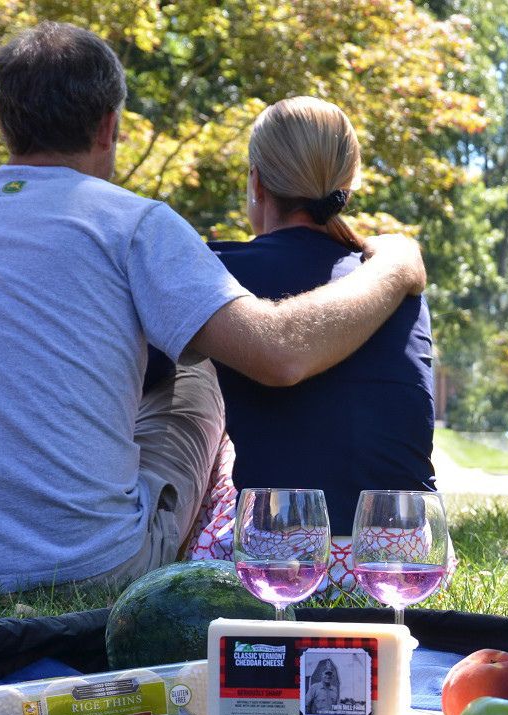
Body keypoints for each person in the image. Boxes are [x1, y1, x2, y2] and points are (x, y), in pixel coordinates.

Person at [0, 23, 425, 594]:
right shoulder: (130, 223)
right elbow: (278, 355)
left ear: (5, 121)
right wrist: (394, 265)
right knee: (196, 363)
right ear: (110, 125)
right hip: (85, 568)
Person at [187, 97, 439, 593]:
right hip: (404, 559)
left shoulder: (218, 273)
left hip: (282, 562)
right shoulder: (394, 281)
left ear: (256, 181)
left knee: (195, 392)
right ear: (347, 185)